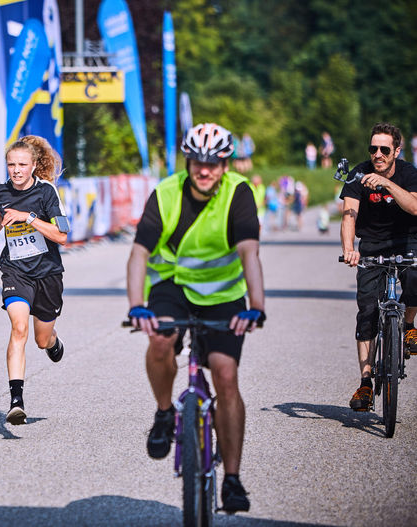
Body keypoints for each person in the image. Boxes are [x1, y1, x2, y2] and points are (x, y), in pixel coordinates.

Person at [126, 123, 265, 513]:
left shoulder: (239, 193)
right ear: (188, 161)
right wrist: (137, 304)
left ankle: (233, 480)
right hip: (173, 286)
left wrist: (257, 304)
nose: (205, 170)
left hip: (223, 295)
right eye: (198, 162)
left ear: (225, 164)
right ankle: (165, 412)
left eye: (214, 163)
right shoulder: (166, 193)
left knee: (225, 373)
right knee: (159, 339)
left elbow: (249, 253)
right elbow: (139, 254)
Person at [0, 135, 69, 425]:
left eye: (21, 165)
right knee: (19, 328)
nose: (15, 170)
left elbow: (62, 236)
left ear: (33, 166)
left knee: (41, 340)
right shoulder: (1, 191)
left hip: (47, 274)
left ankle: (53, 340)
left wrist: (28, 218)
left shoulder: (47, 192)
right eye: (10, 165)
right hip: (15, 271)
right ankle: (16, 401)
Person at [340, 123, 417, 411]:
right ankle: (366, 383)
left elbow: (414, 207)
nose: (378, 154)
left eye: (385, 149)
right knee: (367, 313)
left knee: (415, 279)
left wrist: (386, 183)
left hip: (407, 240)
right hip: (371, 244)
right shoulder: (357, 174)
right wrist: (349, 249)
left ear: (397, 150)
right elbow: (349, 215)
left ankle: (409, 326)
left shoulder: (409, 174)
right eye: (373, 148)